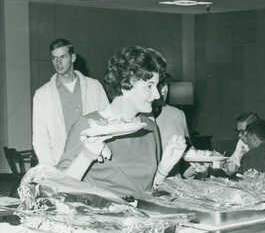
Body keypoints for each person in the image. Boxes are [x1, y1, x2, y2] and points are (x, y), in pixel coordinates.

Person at [58, 46, 187, 197]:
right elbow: (58, 188)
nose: (157, 95)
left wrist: (164, 168)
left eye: (156, 86)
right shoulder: (89, 126)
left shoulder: (149, 127)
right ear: (126, 87)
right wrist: (85, 157)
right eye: (149, 86)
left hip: (141, 218)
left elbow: (146, 192)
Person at [32, 38, 109, 166]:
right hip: (62, 163)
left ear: (73, 57)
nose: (58, 62)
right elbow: (40, 138)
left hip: (95, 162)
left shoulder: (95, 87)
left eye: (62, 57)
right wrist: (52, 169)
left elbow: (108, 124)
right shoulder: (42, 95)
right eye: (54, 58)